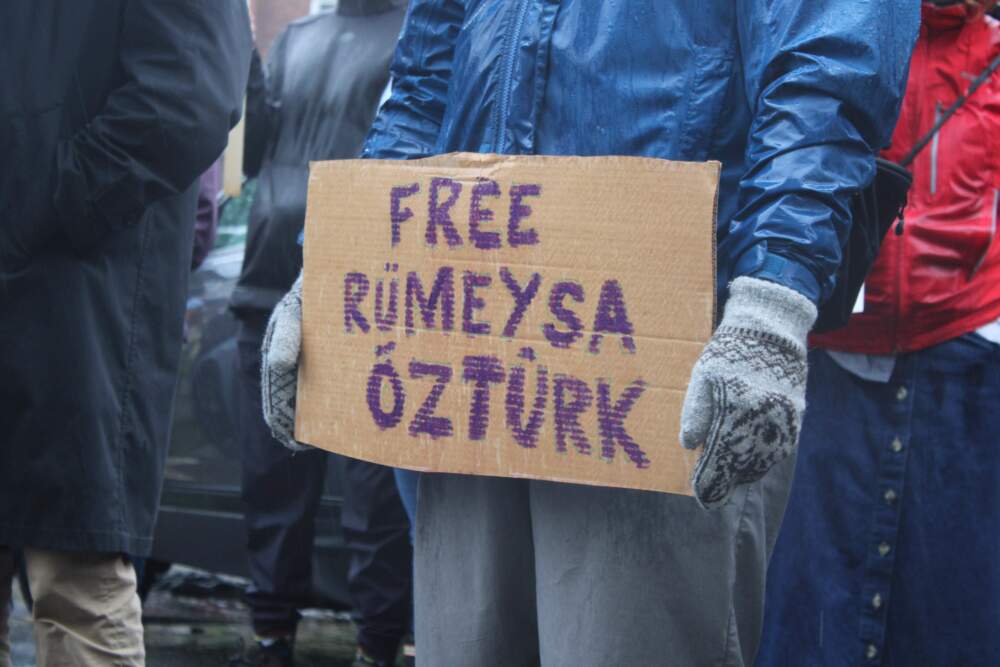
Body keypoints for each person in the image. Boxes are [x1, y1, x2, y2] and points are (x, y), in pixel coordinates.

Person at [260, 2, 919, 665]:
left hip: (663, 362)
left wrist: (770, 302)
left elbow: (825, 62)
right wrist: (337, 265)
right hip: (470, 357)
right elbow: (424, 78)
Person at [0, 2, 251, 665]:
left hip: (80, 294)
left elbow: (191, 89)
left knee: (74, 574)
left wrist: (55, 198)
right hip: (51, 260)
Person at [757, 2, 1000, 666]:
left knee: (951, 603)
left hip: (963, 349)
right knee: (810, 605)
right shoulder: (828, 24)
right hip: (829, 358)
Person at [227, 3, 411, 666]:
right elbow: (253, 152)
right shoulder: (296, 38)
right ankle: (270, 636)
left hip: (371, 295)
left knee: (373, 496)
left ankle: (378, 644)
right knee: (270, 480)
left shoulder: (422, 29)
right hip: (266, 279)